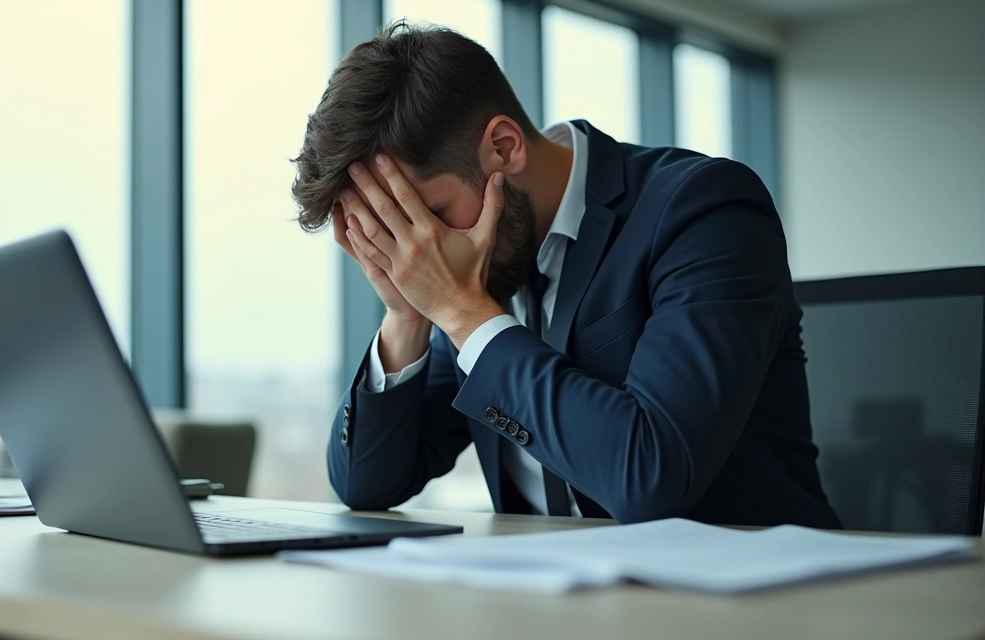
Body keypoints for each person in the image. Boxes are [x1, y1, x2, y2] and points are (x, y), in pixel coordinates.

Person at [289, 21, 841, 528]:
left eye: (425, 218)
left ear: (502, 148)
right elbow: (368, 483)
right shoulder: (464, 268)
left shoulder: (703, 209)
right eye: (391, 234)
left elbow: (652, 476)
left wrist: (462, 314)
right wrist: (406, 312)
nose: (417, 252)